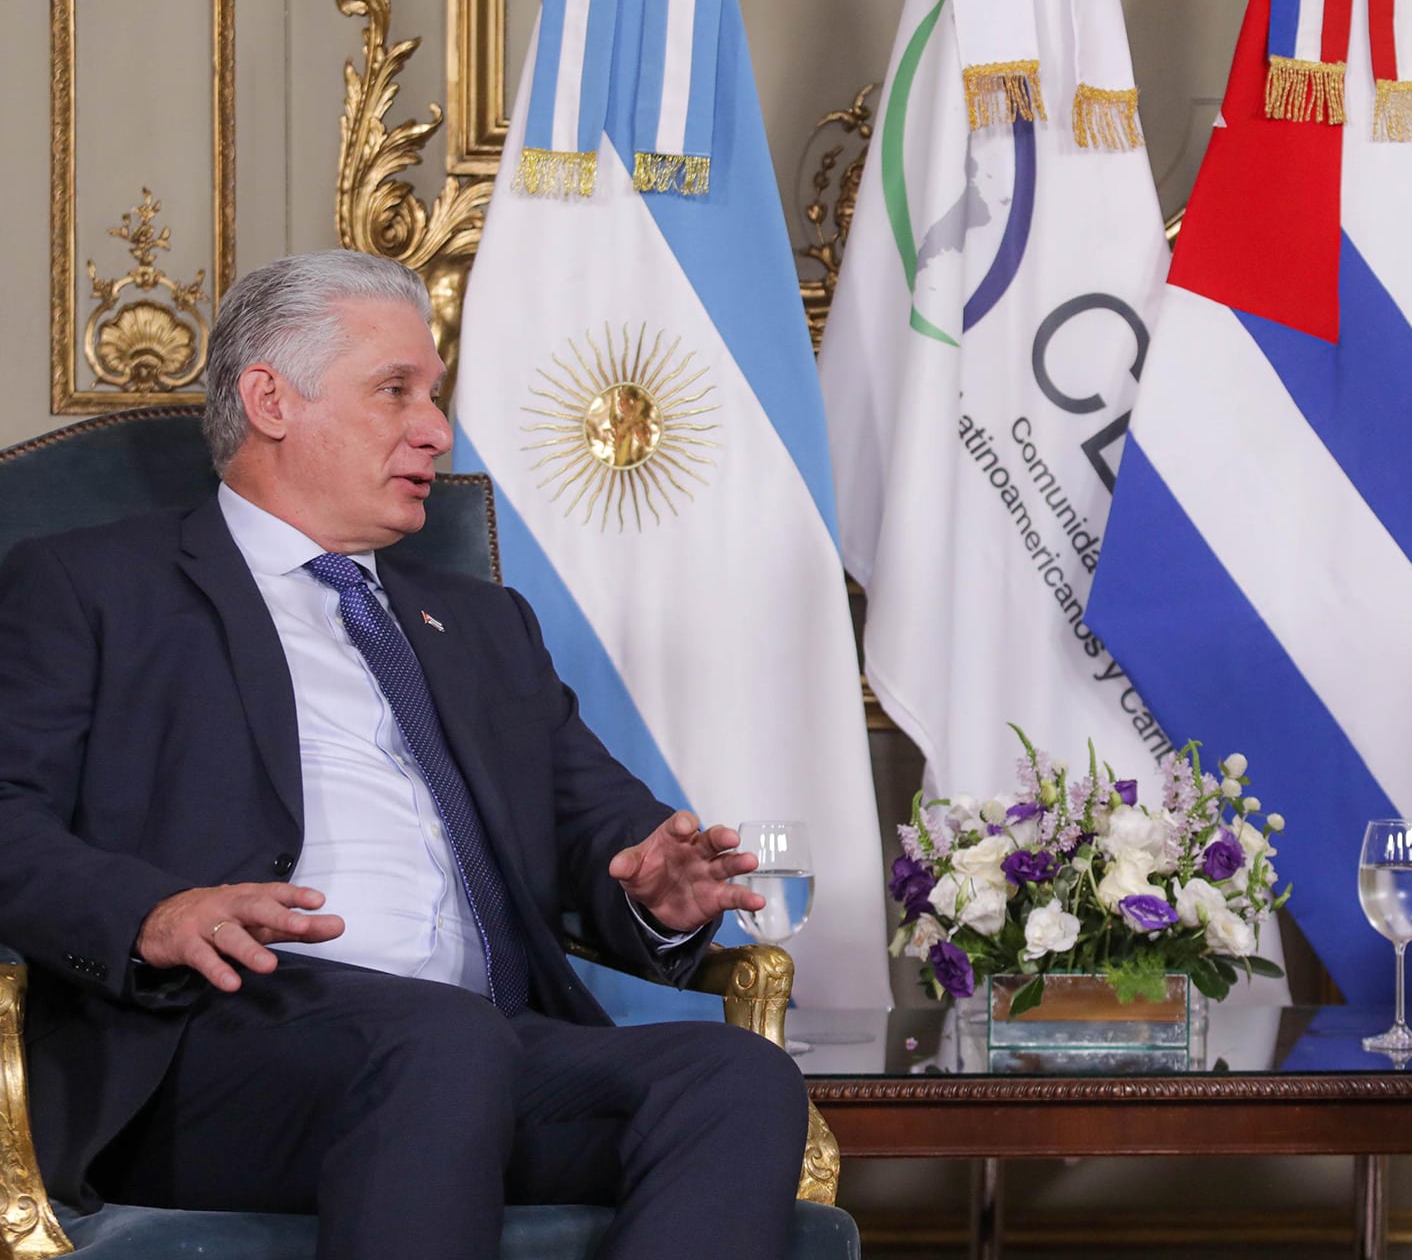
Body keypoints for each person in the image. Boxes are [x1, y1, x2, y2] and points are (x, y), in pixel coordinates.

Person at [0, 251, 809, 1258]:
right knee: (439, 1040)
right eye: (397, 391)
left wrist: (658, 887)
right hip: (221, 1061)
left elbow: (601, 825)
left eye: (434, 394)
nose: (437, 428)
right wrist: (155, 915)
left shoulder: (480, 622)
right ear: (270, 399)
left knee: (733, 1077)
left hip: (485, 1049)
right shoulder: (94, 588)